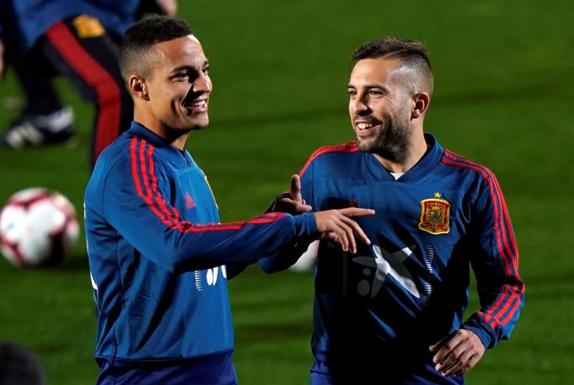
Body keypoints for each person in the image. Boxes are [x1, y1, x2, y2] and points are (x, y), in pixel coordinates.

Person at [84, 15, 374, 385]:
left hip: (211, 370)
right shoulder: (128, 165)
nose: (202, 85)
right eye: (183, 75)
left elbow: (207, 270)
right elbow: (177, 248)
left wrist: (277, 224)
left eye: (204, 70)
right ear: (140, 87)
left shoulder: (181, 163)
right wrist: (301, 223)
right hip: (153, 375)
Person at [264, 37, 525, 385]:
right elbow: (271, 261)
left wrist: (481, 332)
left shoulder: (469, 184)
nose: (358, 106)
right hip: (338, 374)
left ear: (417, 105)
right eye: (352, 93)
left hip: (428, 377)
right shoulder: (326, 168)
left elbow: (506, 286)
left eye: (375, 93)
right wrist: (283, 225)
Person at [0, 0, 176, 167]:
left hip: (117, 12)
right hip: (60, 9)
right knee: (116, 90)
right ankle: (106, 195)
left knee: (153, 95)